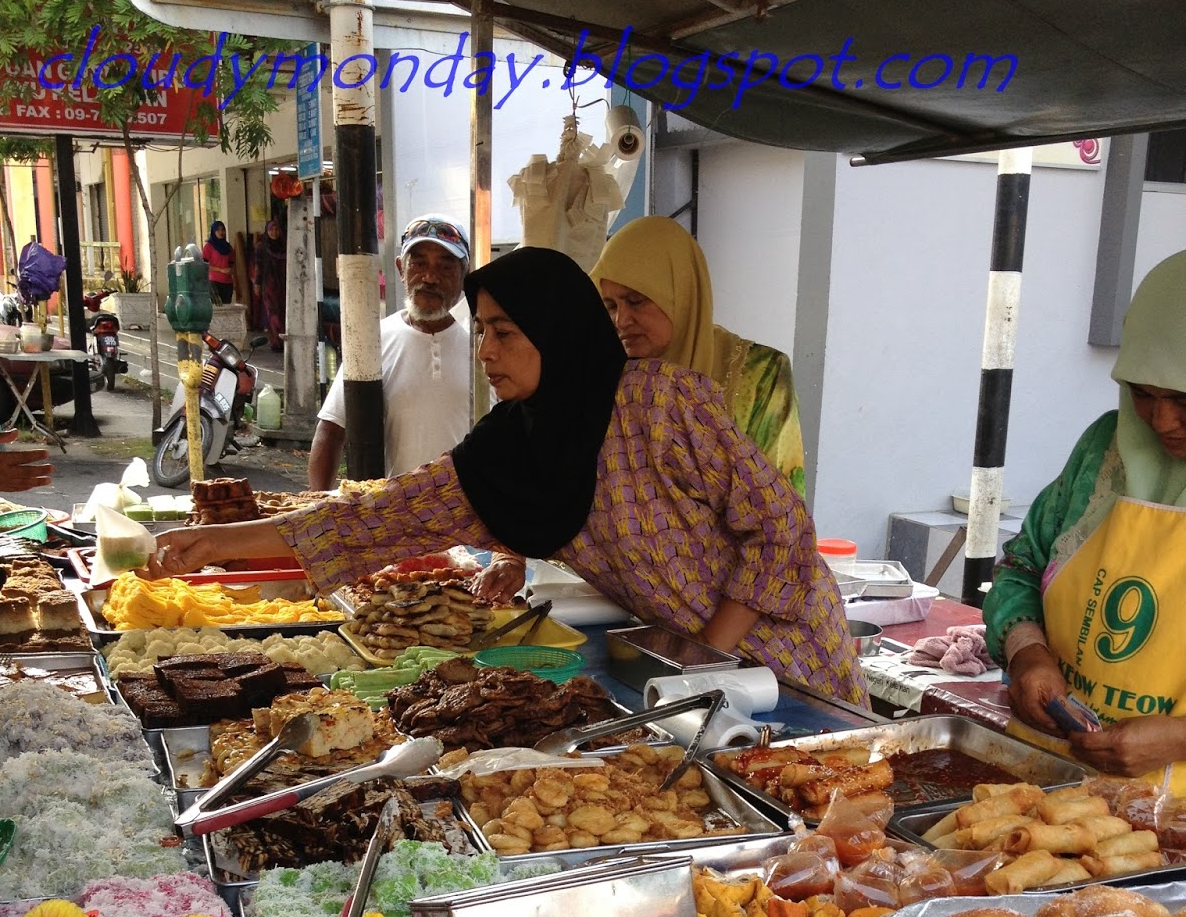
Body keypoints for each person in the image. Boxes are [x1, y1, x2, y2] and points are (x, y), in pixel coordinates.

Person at [149, 247, 868, 705]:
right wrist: (219, 545)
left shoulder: (661, 404)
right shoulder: (510, 449)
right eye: (484, 330)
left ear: (556, 332)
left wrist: (707, 653)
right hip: (687, 664)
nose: (486, 350)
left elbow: (780, 528)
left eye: (505, 332)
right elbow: (381, 515)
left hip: (785, 653)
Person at [983, 249, 1186, 786]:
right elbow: (1023, 566)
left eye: (1184, 398)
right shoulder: (1105, 448)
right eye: (1142, 393)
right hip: (1052, 777)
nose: (1162, 421)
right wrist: (1027, 652)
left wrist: (1179, 738)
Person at [591, 216, 806, 497]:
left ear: (682, 292)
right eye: (610, 306)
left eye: (636, 301)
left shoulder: (760, 373)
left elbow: (782, 505)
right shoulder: (609, 378)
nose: (621, 320)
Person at [308, 216, 472, 492]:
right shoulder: (373, 341)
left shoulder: (483, 346)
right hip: (394, 518)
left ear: (464, 275)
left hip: (465, 519)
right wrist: (315, 506)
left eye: (445, 266)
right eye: (419, 264)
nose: (430, 277)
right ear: (400, 269)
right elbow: (332, 430)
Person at [252, 217, 287, 350]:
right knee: (273, 313)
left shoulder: (284, 246)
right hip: (269, 285)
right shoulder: (261, 247)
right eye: (271, 229)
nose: (274, 232)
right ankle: (276, 342)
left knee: (283, 312)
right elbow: (258, 267)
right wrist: (257, 284)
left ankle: (283, 340)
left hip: (283, 284)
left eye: (276, 229)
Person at [202, 221, 234, 304]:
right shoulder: (208, 247)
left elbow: (232, 263)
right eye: (218, 230)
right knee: (217, 307)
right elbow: (204, 266)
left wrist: (231, 270)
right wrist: (220, 270)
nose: (221, 232)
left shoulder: (228, 247)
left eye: (222, 229)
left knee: (226, 308)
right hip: (214, 282)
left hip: (228, 282)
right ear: (213, 231)